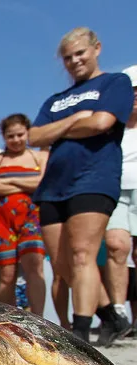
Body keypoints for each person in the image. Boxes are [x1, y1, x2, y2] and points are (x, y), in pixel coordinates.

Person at [28, 27, 132, 344]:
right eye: (68, 58)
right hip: (53, 185)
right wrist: (76, 120)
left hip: (94, 178)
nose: (74, 61)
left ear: (96, 48)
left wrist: (57, 130)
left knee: (83, 254)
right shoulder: (56, 100)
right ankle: (113, 317)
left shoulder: (115, 83)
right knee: (63, 265)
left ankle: (81, 333)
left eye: (80, 53)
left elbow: (103, 122)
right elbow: (35, 137)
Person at [0, 113, 48, 314]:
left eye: (20, 135)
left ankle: (39, 320)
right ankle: (7, 322)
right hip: (0, 221)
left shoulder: (40, 156)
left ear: (27, 132)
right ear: (3, 136)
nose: (16, 140)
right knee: (6, 275)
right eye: (11, 136)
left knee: (34, 268)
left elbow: (42, 184)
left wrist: (9, 181)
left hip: (32, 218)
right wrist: (26, 185)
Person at [99, 65, 137, 345]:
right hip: (115, 189)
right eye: (131, 91)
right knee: (117, 246)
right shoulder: (111, 125)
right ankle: (118, 310)